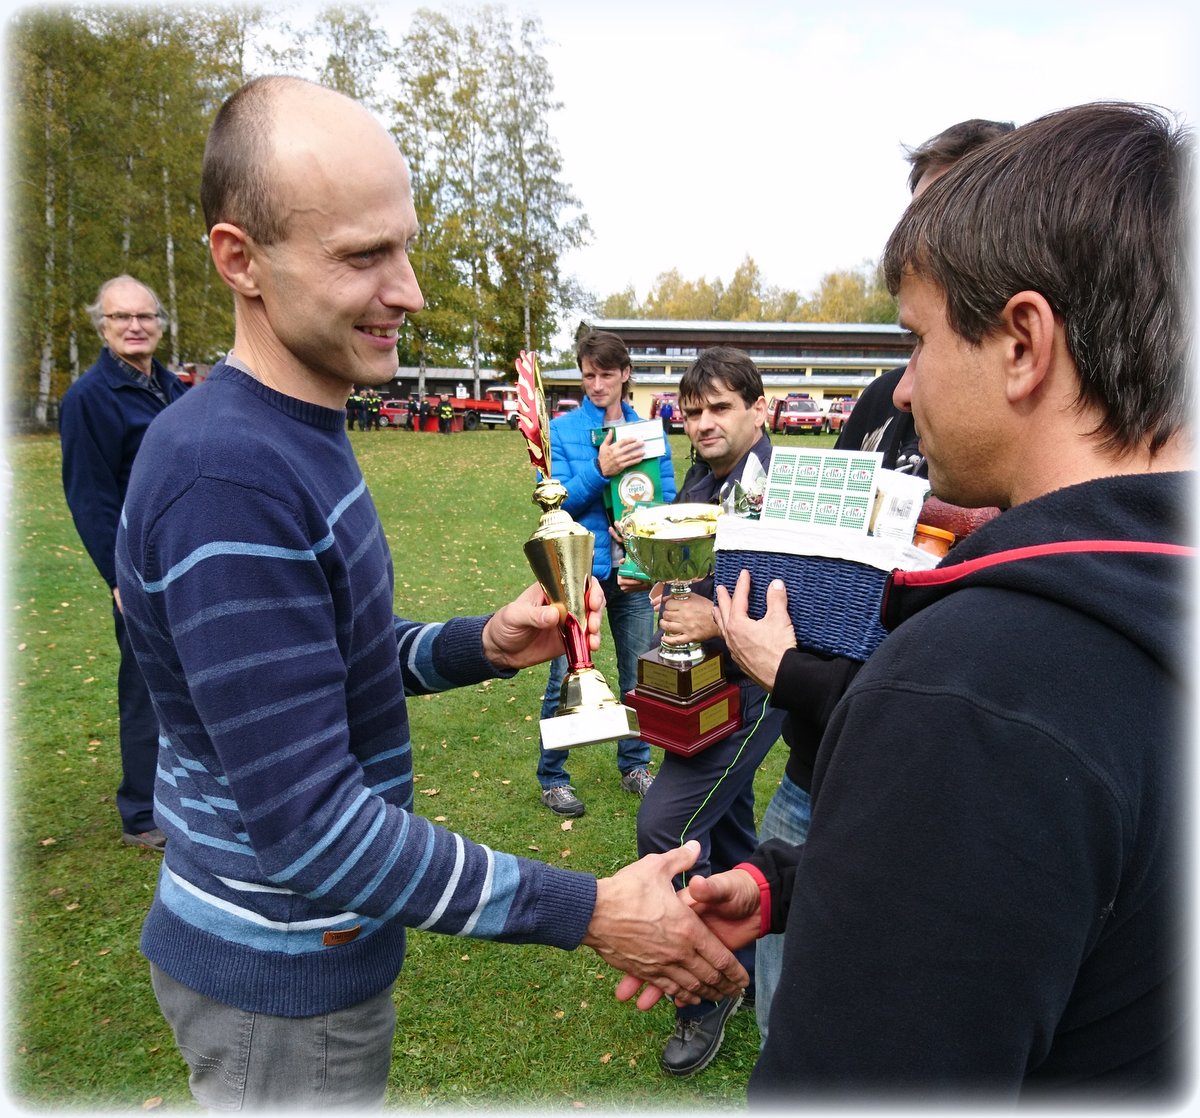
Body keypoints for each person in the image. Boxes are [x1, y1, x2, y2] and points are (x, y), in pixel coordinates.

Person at [114, 76, 746, 1111]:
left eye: (404, 247)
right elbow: (314, 826)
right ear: (240, 259)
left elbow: (323, 660)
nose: (407, 289)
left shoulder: (289, 433)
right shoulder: (227, 474)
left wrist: (479, 643)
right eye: (363, 255)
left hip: (308, 956)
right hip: (282, 976)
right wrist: (590, 908)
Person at [680, 101, 1191, 1100]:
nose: (904, 389)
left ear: (1023, 343)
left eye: (917, 339)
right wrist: (802, 881)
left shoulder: (969, 693)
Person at [728, 117, 1016, 1044]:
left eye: (948, 212)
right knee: (785, 1019)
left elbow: (973, 674)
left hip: (929, 784)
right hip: (816, 768)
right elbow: (824, 566)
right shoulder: (882, 402)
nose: (917, 241)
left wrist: (787, 670)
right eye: (914, 216)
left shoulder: (1032, 457)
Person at [632, 347, 787, 1077]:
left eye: (721, 407)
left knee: (664, 827)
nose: (703, 423)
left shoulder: (779, 488)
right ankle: (745, 962)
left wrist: (715, 622)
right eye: (692, 412)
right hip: (696, 691)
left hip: (752, 691)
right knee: (726, 825)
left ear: (760, 408)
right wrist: (661, 583)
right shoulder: (703, 478)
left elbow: (805, 606)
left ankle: (703, 991)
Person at [59, 274, 187, 852]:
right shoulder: (89, 399)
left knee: (193, 677)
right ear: (102, 326)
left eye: (145, 316)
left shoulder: (171, 386)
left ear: (159, 323)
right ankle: (141, 813)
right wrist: (118, 577)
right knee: (146, 685)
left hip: (185, 558)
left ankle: (189, 792)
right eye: (121, 317)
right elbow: (90, 498)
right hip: (138, 568)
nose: (135, 326)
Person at [535, 330, 674, 817]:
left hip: (632, 575)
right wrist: (600, 467)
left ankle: (635, 765)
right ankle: (553, 777)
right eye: (588, 375)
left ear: (625, 374)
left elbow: (665, 497)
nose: (596, 385)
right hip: (578, 576)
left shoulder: (650, 432)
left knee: (637, 673)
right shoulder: (562, 431)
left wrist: (647, 542)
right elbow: (554, 502)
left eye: (606, 375)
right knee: (564, 677)